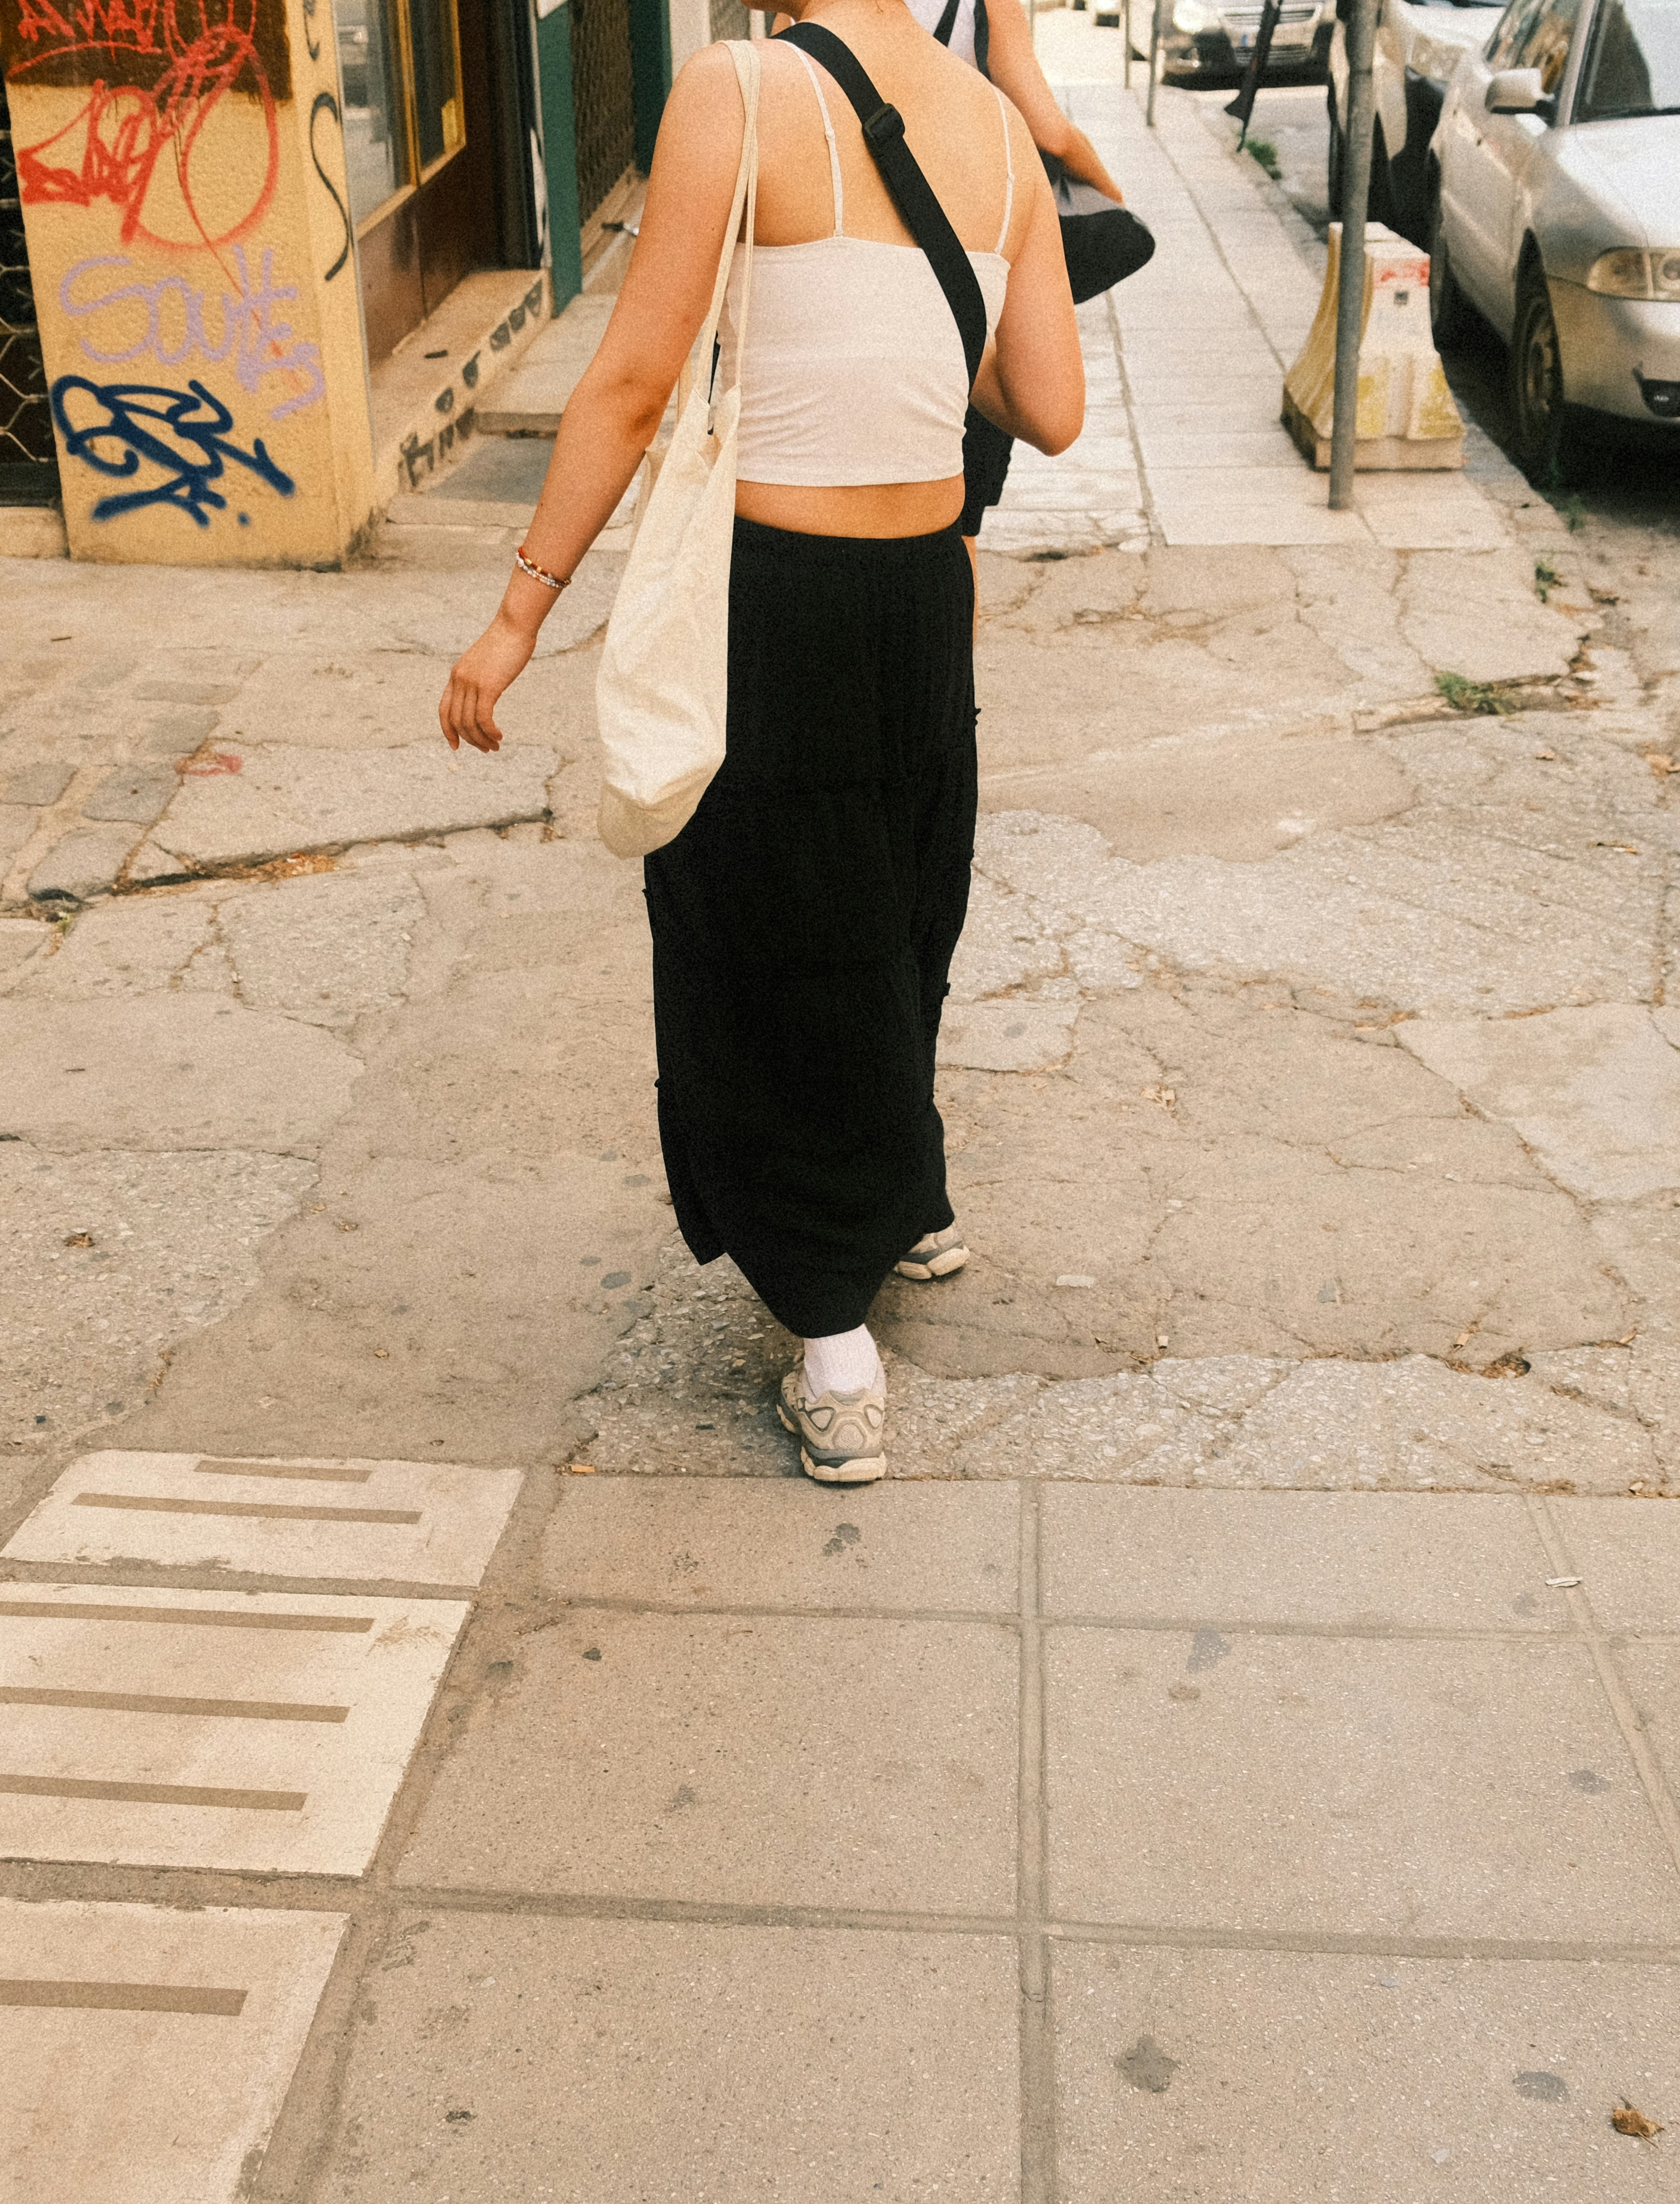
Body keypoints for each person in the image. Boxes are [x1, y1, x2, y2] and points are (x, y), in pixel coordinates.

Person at [437, 0, 1085, 1485]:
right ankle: (908, 1195)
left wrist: (518, 616)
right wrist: (926, 324)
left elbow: (631, 380)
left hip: (774, 599)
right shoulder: (994, 129)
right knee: (901, 902)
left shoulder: (740, 89)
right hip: (926, 594)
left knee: (777, 941)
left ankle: (832, 1348)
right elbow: (1052, 404)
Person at [910, 0, 1127, 538]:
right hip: (963, 271)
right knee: (955, 525)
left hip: (851, 258)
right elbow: (1049, 131)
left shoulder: (803, 8)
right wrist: (1107, 189)